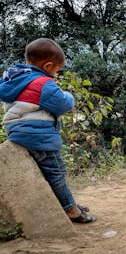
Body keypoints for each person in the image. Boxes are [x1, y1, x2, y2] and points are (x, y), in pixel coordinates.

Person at [0, 38, 96, 223]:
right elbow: (63, 104)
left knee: (52, 171)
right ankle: (71, 210)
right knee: (56, 172)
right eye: (56, 70)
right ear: (48, 65)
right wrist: (67, 94)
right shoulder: (42, 83)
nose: (56, 75)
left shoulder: (13, 77)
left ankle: (67, 202)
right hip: (39, 135)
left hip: (16, 130)